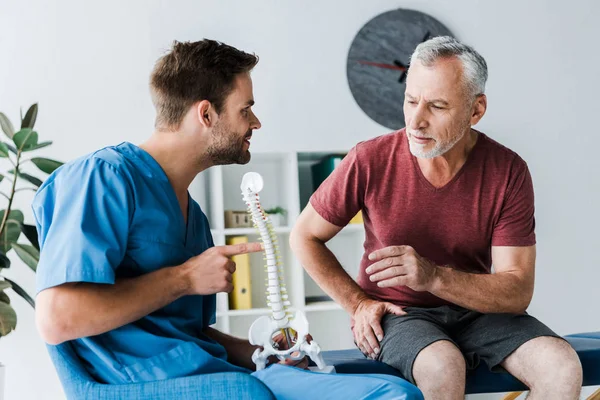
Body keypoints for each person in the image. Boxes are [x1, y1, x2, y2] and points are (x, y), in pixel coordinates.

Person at [33, 39, 422, 400]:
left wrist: (266, 353)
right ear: (206, 113)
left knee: (396, 390)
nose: (255, 123)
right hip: (145, 382)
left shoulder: (194, 217)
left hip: (209, 369)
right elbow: (57, 319)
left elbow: (191, 334)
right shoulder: (104, 178)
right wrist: (183, 279)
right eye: (245, 109)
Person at [290, 36, 583, 400]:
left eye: (437, 106)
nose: (417, 120)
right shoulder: (369, 159)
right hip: (400, 314)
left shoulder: (508, 170)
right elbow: (304, 236)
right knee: (443, 365)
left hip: (479, 312)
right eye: (411, 101)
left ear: (476, 111)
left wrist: (431, 276)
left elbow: (517, 290)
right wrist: (359, 304)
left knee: (562, 366)